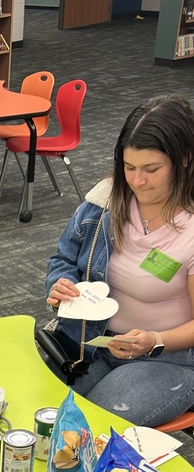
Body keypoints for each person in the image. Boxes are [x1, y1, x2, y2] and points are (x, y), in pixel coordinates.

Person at [45, 93, 194, 428]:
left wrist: (155, 341)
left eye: (151, 169)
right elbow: (63, 259)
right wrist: (60, 285)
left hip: (170, 357)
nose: (137, 181)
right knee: (40, 407)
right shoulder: (104, 202)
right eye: (129, 167)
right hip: (95, 341)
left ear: (184, 160)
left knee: (87, 428)